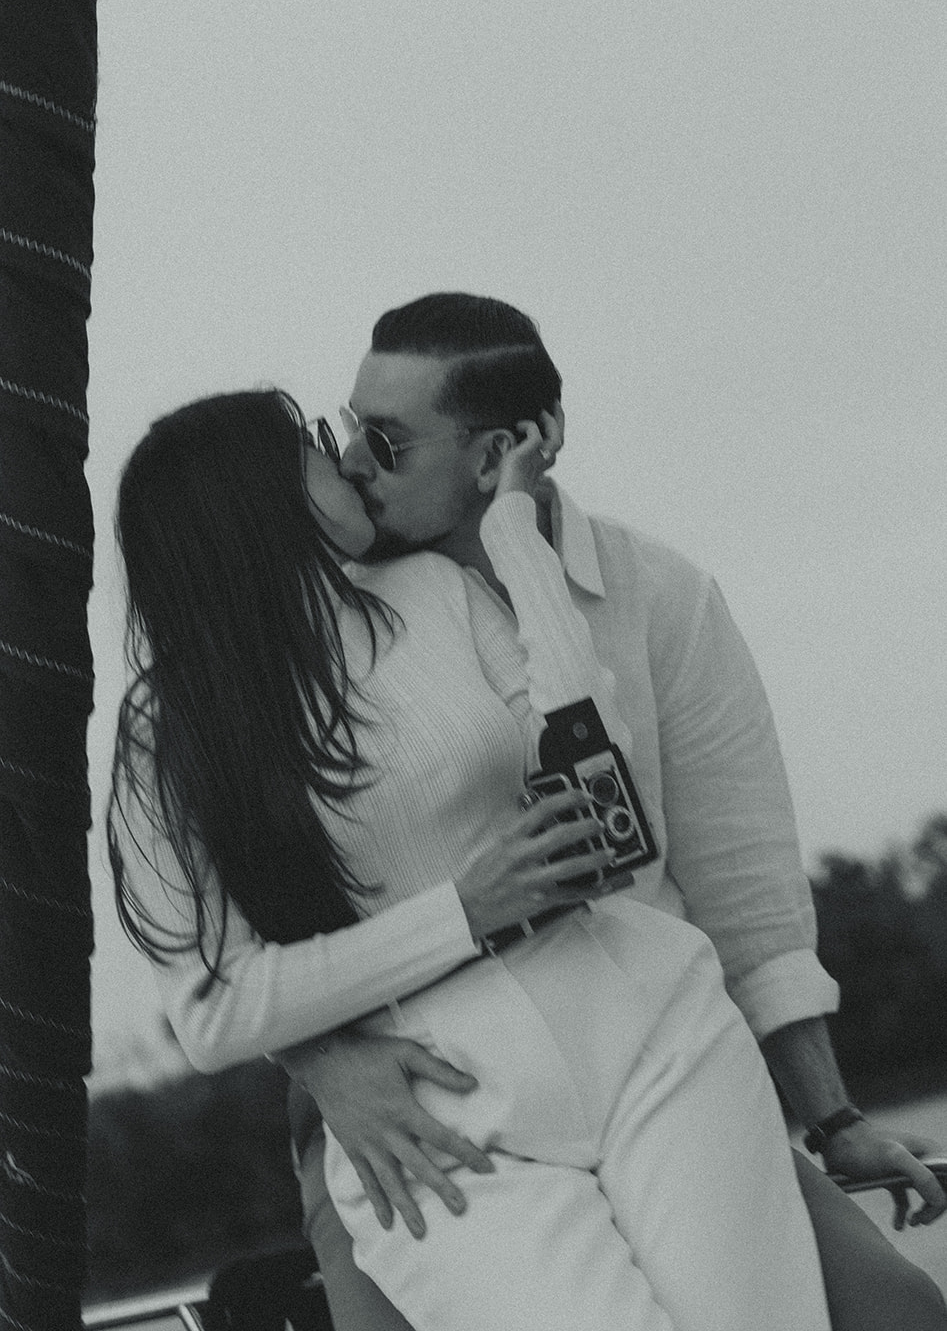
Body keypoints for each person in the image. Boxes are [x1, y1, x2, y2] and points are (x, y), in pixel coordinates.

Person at [277, 292, 947, 1331]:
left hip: (654, 1070)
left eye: (388, 440)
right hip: (408, 1104)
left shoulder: (657, 595)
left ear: (499, 450)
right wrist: (323, 1067)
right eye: (348, 427)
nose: (353, 461)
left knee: (894, 1312)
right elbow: (237, 916)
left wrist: (834, 1114)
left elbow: (745, 887)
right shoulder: (311, 628)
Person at [108, 386, 834, 1330]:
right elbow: (215, 1009)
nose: (351, 461)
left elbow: (594, 771)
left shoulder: (435, 591)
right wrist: (461, 911)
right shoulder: (165, 737)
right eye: (321, 446)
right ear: (257, 497)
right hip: (435, 1109)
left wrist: (516, 541)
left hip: (653, 1025)